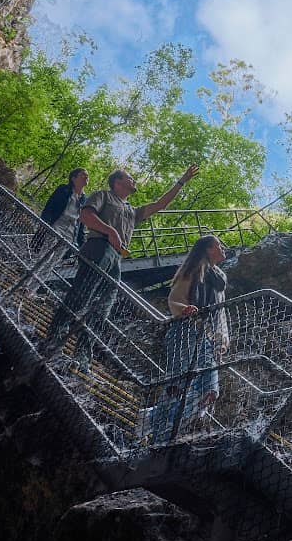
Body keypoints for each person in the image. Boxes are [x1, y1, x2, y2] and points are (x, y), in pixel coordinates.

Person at [39, 163, 200, 362]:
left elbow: (160, 204)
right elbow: (85, 216)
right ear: (117, 182)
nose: (133, 180)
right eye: (129, 177)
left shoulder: (132, 211)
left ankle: (81, 357)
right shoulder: (103, 196)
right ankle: (52, 341)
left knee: (102, 308)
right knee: (81, 296)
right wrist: (110, 231)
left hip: (116, 259)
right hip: (98, 247)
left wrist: (181, 181)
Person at [148, 234, 231, 444]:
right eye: (218, 245)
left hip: (208, 338)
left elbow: (220, 313)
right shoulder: (193, 269)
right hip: (186, 330)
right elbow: (174, 298)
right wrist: (185, 309)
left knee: (209, 391)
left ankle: (156, 423)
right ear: (208, 249)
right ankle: (160, 434)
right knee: (179, 386)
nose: (222, 249)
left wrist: (222, 339)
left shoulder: (219, 277)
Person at [35, 167, 88, 252]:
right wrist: (44, 223)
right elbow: (49, 206)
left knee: (57, 258)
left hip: (71, 232)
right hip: (57, 225)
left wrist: (81, 243)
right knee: (46, 251)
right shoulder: (63, 189)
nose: (86, 177)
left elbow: (81, 223)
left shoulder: (85, 199)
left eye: (87, 176)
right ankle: (35, 265)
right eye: (83, 175)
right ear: (73, 179)